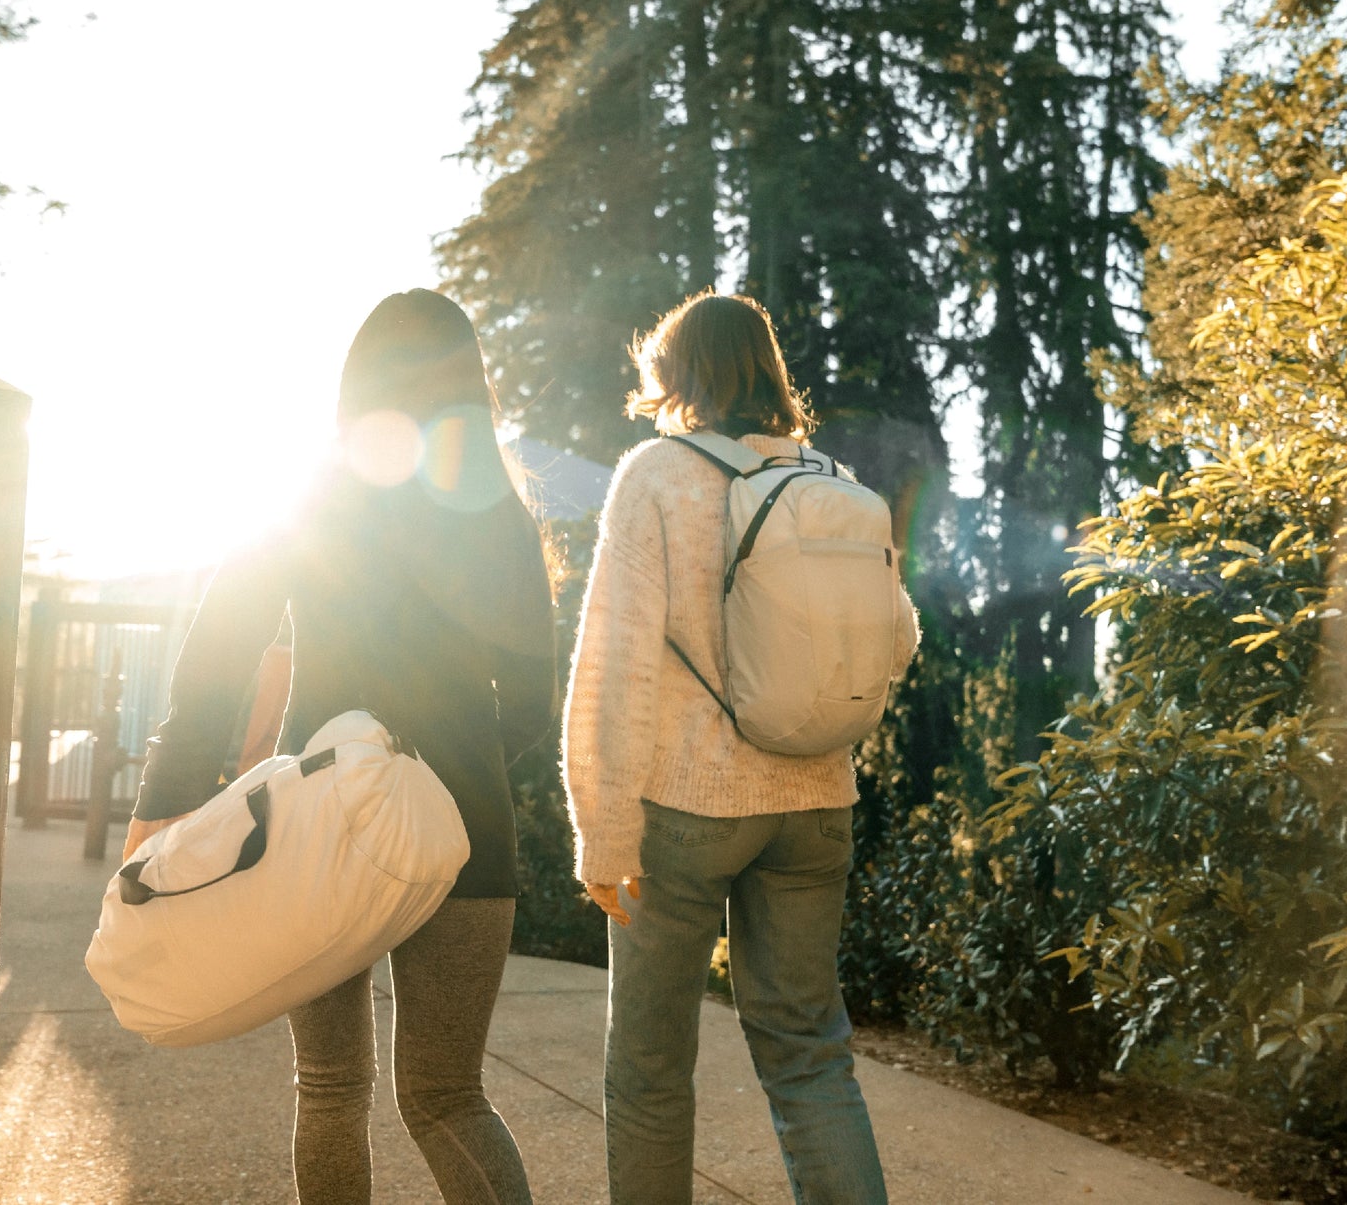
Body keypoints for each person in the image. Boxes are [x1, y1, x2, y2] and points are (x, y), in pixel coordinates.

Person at [124, 289, 558, 1205]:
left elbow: (218, 651)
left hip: (317, 825)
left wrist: (164, 795)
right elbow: (527, 703)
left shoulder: (315, 496)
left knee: (329, 1091)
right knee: (447, 1095)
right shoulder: (502, 515)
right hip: (466, 829)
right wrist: (437, 780)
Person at [562, 290, 919, 1205]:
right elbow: (900, 637)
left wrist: (602, 831)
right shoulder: (832, 479)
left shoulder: (656, 474)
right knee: (808, 1058)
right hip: (815, 803)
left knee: (647, 1069)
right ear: (767, 367)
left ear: (673, 372)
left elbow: (615, 661)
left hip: (688, 811)